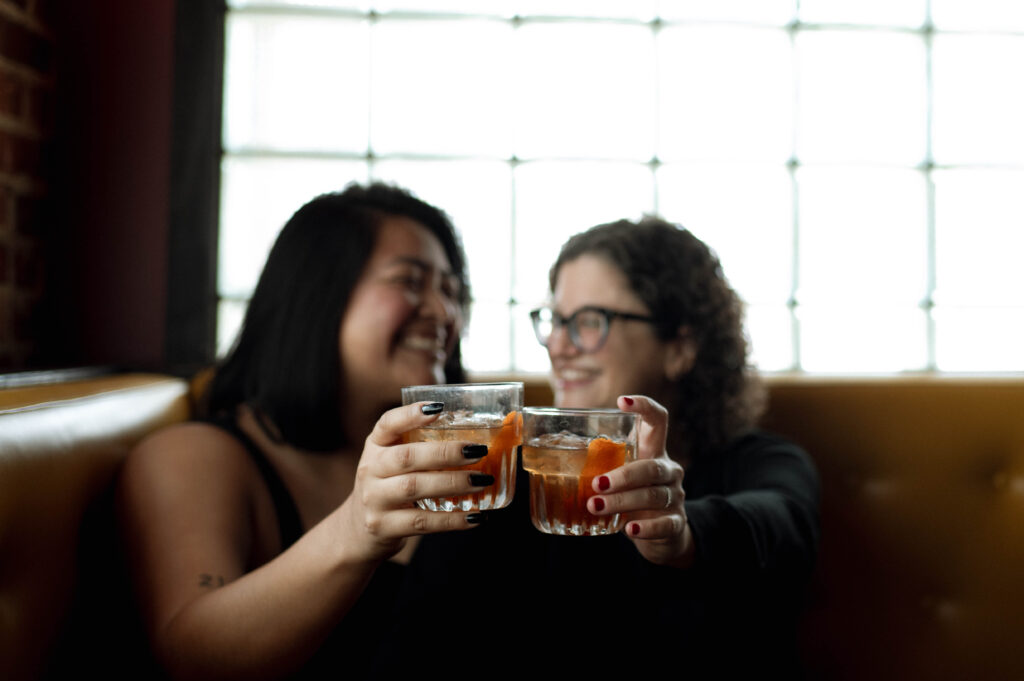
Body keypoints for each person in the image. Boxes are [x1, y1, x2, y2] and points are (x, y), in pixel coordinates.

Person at [117, 182, 492, 680]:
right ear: (319, 295)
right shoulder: (193, 455)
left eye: (450, 290)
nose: (445, 313)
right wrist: (357, 527)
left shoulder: (467, 452)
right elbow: (190, 656)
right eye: (409, 280)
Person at [524, 216, 821, 675]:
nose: (559, 346)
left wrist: (681, 534)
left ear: (680, 347)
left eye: (589, 321)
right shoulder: (529, 479)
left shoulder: (764, 462)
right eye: (556, 321)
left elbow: (781, 528)